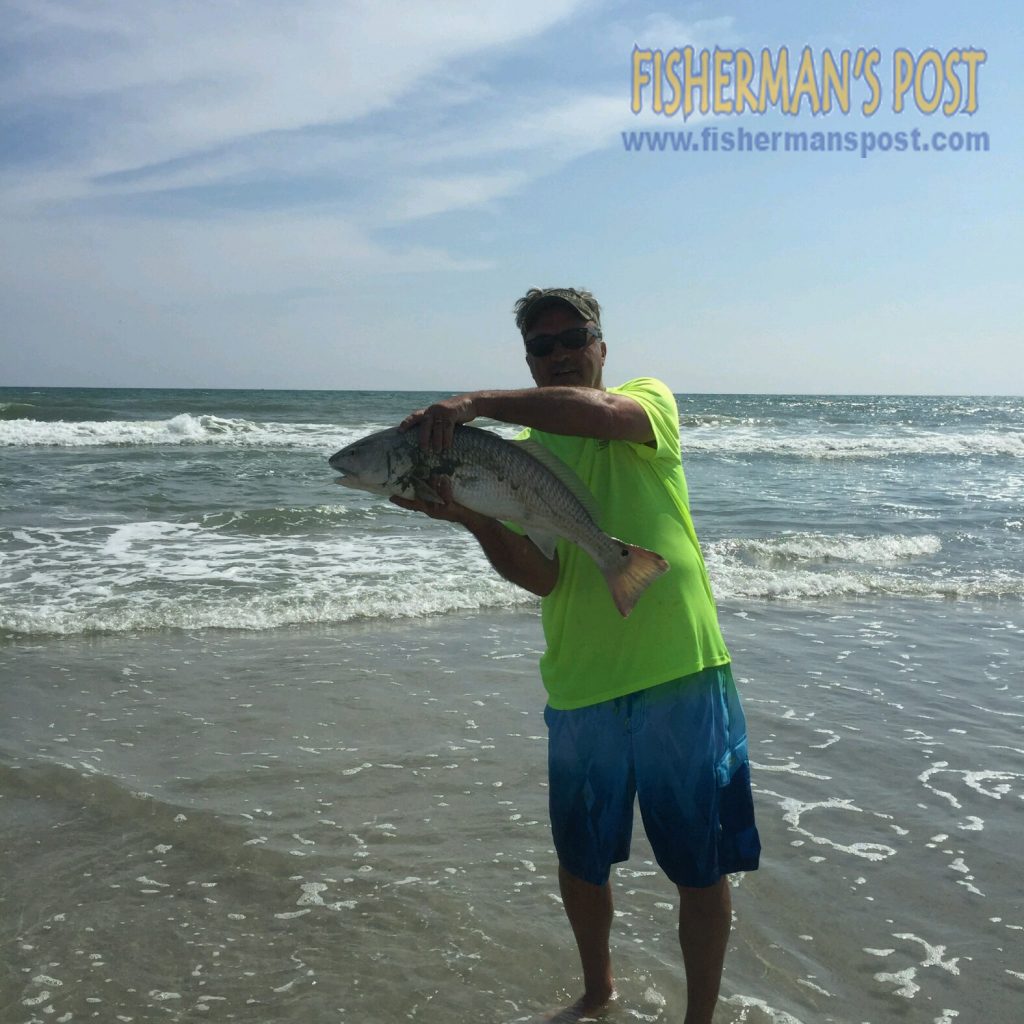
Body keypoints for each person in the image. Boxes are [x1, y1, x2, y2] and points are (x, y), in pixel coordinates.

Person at [391, 287, 761, 1024]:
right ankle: (598, 993)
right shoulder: (518, 461)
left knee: (699, 863)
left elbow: (603, 416)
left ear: (602, 344)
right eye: (542, 347)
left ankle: (700, 1020)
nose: (559, 355)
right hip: (580, 682)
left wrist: (474, 404)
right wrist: (469, 514)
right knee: (582, 861)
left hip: (679, 673)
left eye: (572, 338)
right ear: (528, 359)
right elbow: (543, 575)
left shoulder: (644, 401)